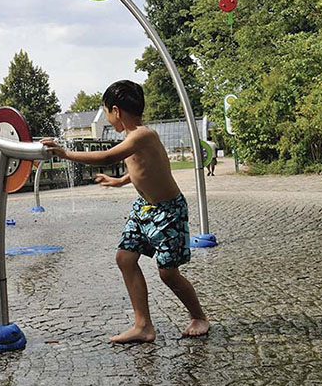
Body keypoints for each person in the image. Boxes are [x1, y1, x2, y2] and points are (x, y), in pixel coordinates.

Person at [42, 80, 209, 342]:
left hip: (168, 212)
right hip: (144, 209)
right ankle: (143, 325)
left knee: (168, 273)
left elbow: (109, 157)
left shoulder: (143, 135)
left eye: (107, 112)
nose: (108, 119)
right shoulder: (134, 138)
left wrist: (65, 154)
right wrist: (120, 181)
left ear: (116, 110)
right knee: (125, 258)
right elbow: (145, 169)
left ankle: (198, 316)